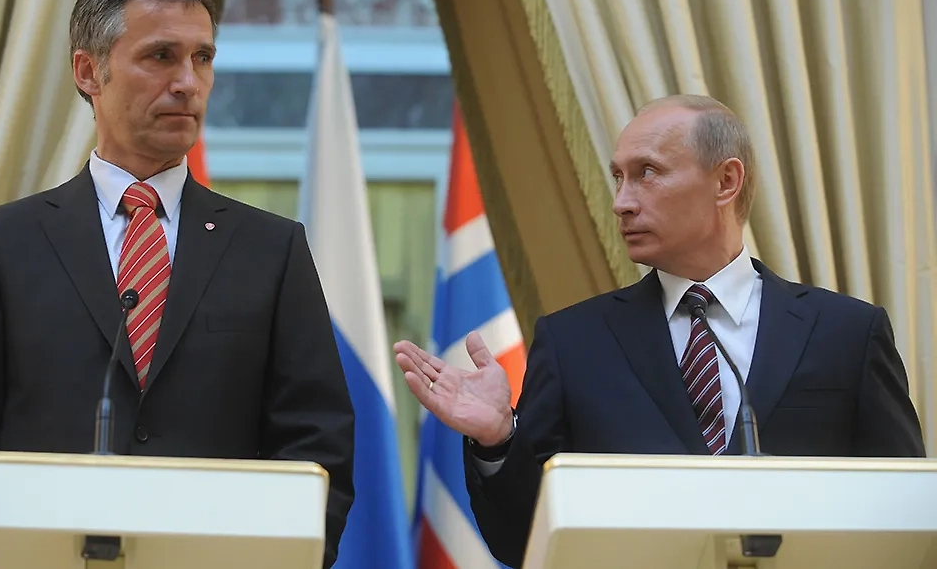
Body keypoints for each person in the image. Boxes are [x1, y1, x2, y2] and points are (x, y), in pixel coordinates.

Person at [0, 0, 355, 567]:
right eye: (161, 56)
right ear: (88, 72)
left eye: (202, 58)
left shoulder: (271, 249)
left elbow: (317, 444)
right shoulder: (5, 241)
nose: (188, 83)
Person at [394, 94, 925, 568]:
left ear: (726, 181)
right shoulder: (573, 342)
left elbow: (906, 520)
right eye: (618, 177)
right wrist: (498, 439)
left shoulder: (848, 333)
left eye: (647, 172)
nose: (622, 202)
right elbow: (522, 543)